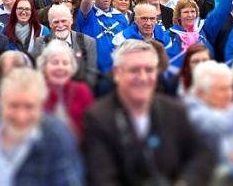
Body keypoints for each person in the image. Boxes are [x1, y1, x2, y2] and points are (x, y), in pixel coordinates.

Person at [83, 40, 216, 185]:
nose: (143, 77)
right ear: (117, 73)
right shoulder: (98, 118)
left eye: (149, 70)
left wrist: (185, 182)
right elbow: (102, 177)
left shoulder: (175, 111)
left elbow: (201, 154)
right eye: (134, 70)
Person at [0, 68, 84, 185]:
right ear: (0, 101)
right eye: (13, 105)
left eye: (29, 107)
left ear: (41, 105)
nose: (21, 116)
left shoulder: (58, 138)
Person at [166, 0, 233, 75]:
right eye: (186, 12)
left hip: (207, 76)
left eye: (193, 11)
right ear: (179, 15)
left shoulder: (204, 28)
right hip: (181, 79)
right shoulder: (170, 34)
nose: (190, 15)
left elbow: (221, 11)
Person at [76, 0, 129, 78]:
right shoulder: (88, 13)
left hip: (117, 73)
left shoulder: (121, 17)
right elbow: (85, 0)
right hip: (93, 73)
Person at [37, 40, 94, 141]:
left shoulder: (82, 91)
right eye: (54, 62)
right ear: (44, 66)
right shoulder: (36, 92)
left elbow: (92, 130)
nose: (60, 67)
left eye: (65, 63)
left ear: (72, 68)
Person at [33, 4, 97, 88]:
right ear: (50, 24)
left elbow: (91, 77)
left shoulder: (87, 42)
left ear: (71, 21)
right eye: (56, 22)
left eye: (64, 21)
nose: (60, 25)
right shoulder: (40, 43)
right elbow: (38, 74)